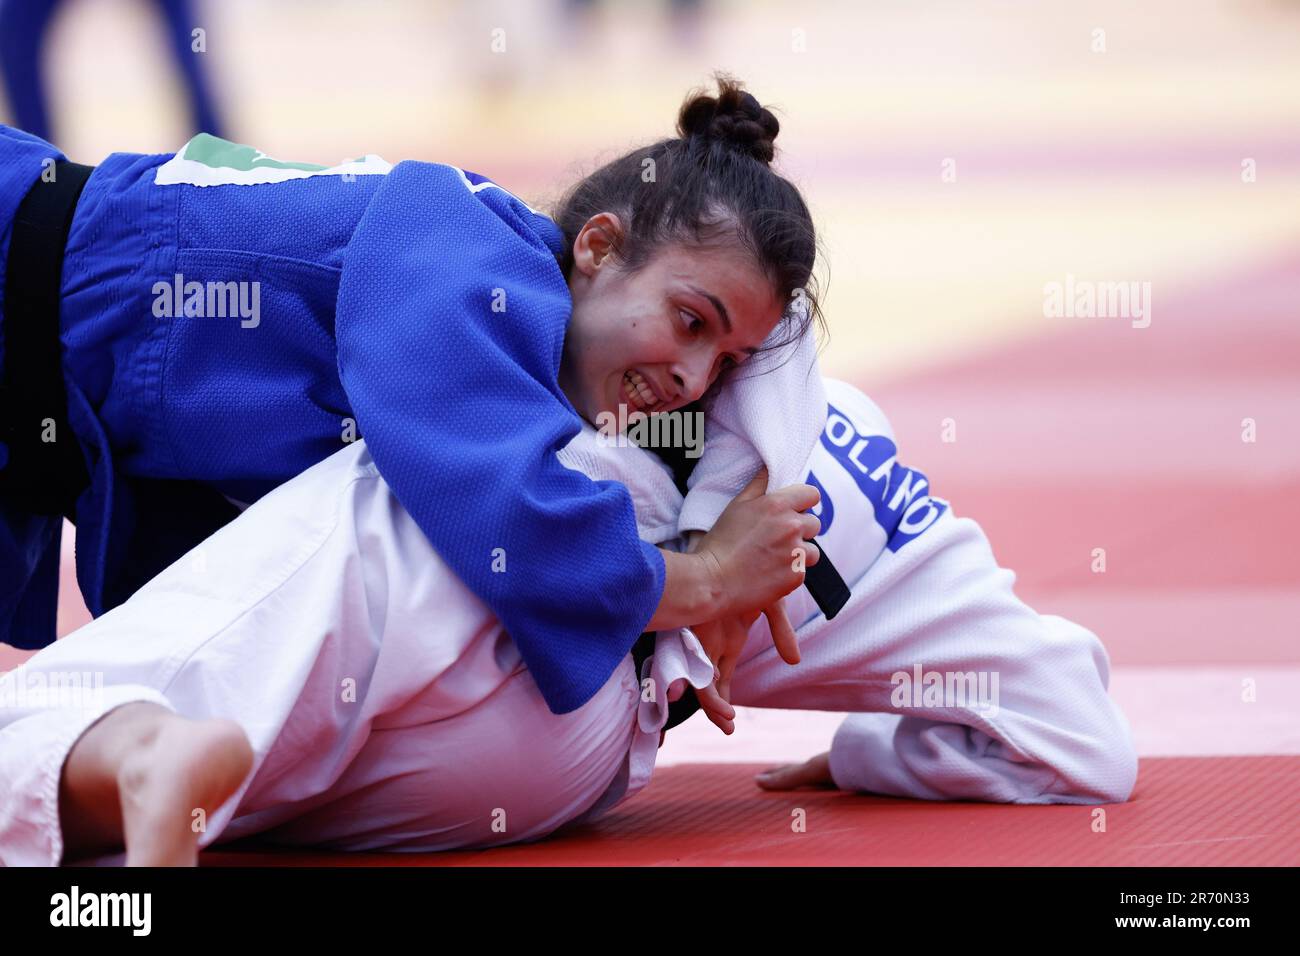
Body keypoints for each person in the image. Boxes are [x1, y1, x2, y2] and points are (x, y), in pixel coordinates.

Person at [0, 376, 1135, 867]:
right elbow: (1084, 740)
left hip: (484, 565)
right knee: (265, 786)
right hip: (568, 751)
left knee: (104, 706)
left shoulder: (733, 382)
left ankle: (139, 773)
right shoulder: (935, 573)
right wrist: (870, 744)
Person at [0, 75, 828, 716]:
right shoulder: (471, 255)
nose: (693, 380)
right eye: (690, 321)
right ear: (598, 246)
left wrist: (731, 493)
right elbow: (519, 524)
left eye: (725, 363)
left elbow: (789, 373)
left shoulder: (510, 356)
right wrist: (712, 575)